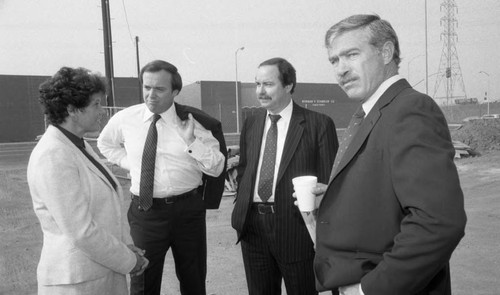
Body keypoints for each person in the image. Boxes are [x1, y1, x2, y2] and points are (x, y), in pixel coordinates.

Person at [313, 14, 467, 295]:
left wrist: (368, 290)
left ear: (386, 52)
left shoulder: (410, 109)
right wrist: (335, 198)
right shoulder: (370, 113)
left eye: (351, 55)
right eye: (334, 60)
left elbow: (438, 222)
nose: (340, 70)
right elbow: (385, 192)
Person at [97, 60, 227, 295]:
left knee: (193, 278)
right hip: (146, 212)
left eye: (159, 89)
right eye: (147, 87)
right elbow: (105, 144)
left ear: (175, 91)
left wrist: (191, 142)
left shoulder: (193, 122)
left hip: (188, 211)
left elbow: (217, 168)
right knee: (143, 280)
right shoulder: (126, 119)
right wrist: (132, 165)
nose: (151, 95)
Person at [27, 67, 148, 295]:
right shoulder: (53, 155)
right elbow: (81, 231)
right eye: (96, 104)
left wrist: (124, 248)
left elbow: (101, 213)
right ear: (73, 110)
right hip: (76, 282)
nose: (101, 111)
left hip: (97, 274)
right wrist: (129, 261)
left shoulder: (76, 145)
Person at [231, 57, 338, 295]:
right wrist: (241, 202)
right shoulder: (252, 123)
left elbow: (329, 182)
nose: (260, 91)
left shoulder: (318, 125)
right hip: (253, 229)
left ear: (288, 85)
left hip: (296, 230)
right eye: (257, 84)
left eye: (268, 84)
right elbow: (245, 168)